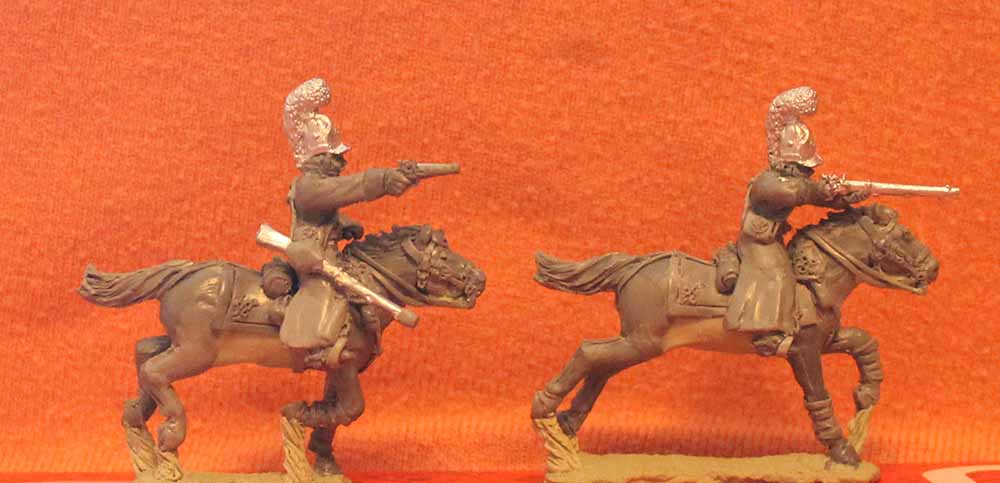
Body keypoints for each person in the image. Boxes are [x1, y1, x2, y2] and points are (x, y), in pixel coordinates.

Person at [279, 78, 415, 369]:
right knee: (333, 293)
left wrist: (343, 224)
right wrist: (382, 180)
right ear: (320, 158)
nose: (342, 163)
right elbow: (341, 190)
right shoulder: (309, 186)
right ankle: (318, 350)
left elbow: (324, 211)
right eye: (336, 157)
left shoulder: (318, 186)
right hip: (313, 257)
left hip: (327, 251)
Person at [724, 86, 869, 356]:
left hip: (771, 239)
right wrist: (822, 190)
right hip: (757, 241)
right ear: (790, 163)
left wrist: (850, 197)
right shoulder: (769, 183)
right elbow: (797, 193)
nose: (807, 172)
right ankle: (766, 333)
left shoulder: (795, 182)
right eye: (803, 167)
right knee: (777, 272)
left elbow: (816, 196)